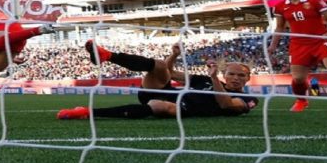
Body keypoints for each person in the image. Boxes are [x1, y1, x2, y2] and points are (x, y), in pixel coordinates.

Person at [57, 41, 258, 120]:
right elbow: (170, 72)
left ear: (248, 78)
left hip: (183, 109)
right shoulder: (203, 79)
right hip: (165, 91)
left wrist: (214, 79)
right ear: (226, 75)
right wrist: (174, 56)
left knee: (159, 106)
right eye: (232, 74)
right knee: (160, 65)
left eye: (241, 75)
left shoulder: (248, 99)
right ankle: (107, 55)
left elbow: (226, 105)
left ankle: (86, 112)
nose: (235, 78)